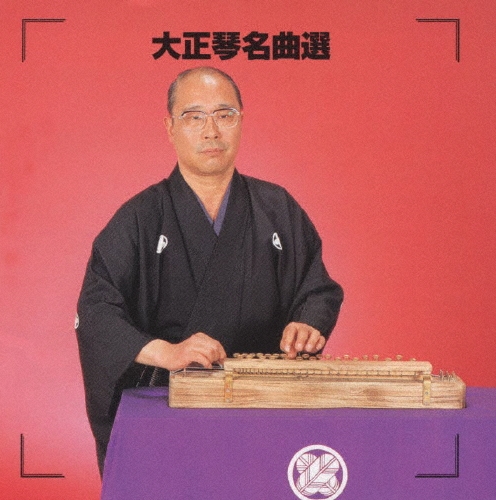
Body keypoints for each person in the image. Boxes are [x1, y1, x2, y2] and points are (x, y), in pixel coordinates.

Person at [75, 66, 343, 474]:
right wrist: (167, 352)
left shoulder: (277, 208)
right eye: (194, 116)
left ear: (241, 121)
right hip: (169, 410)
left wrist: (308, 322)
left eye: (224, 114)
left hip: (261, 407)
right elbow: (96, 312)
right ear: (170, 128)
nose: (211, 130)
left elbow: (317, 288)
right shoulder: (139, 218)